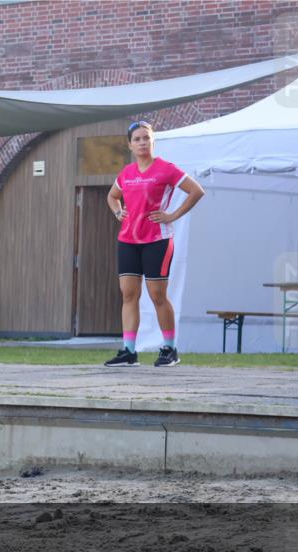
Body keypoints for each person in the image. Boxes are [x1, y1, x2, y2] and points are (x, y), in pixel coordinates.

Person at [104, 121, 205, 368]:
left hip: (157, 240)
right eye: (137, 139)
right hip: (128, 240)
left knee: (157, 295)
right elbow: (112, 196)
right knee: (129, 294)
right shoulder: (126, 173)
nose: (142, 142)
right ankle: (128, 351)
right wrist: (118, 212)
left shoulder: (165, 169)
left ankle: (169, 349)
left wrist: (172, 215)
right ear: (130, 144)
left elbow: (196, 191)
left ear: (152, 141)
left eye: (146, 138)